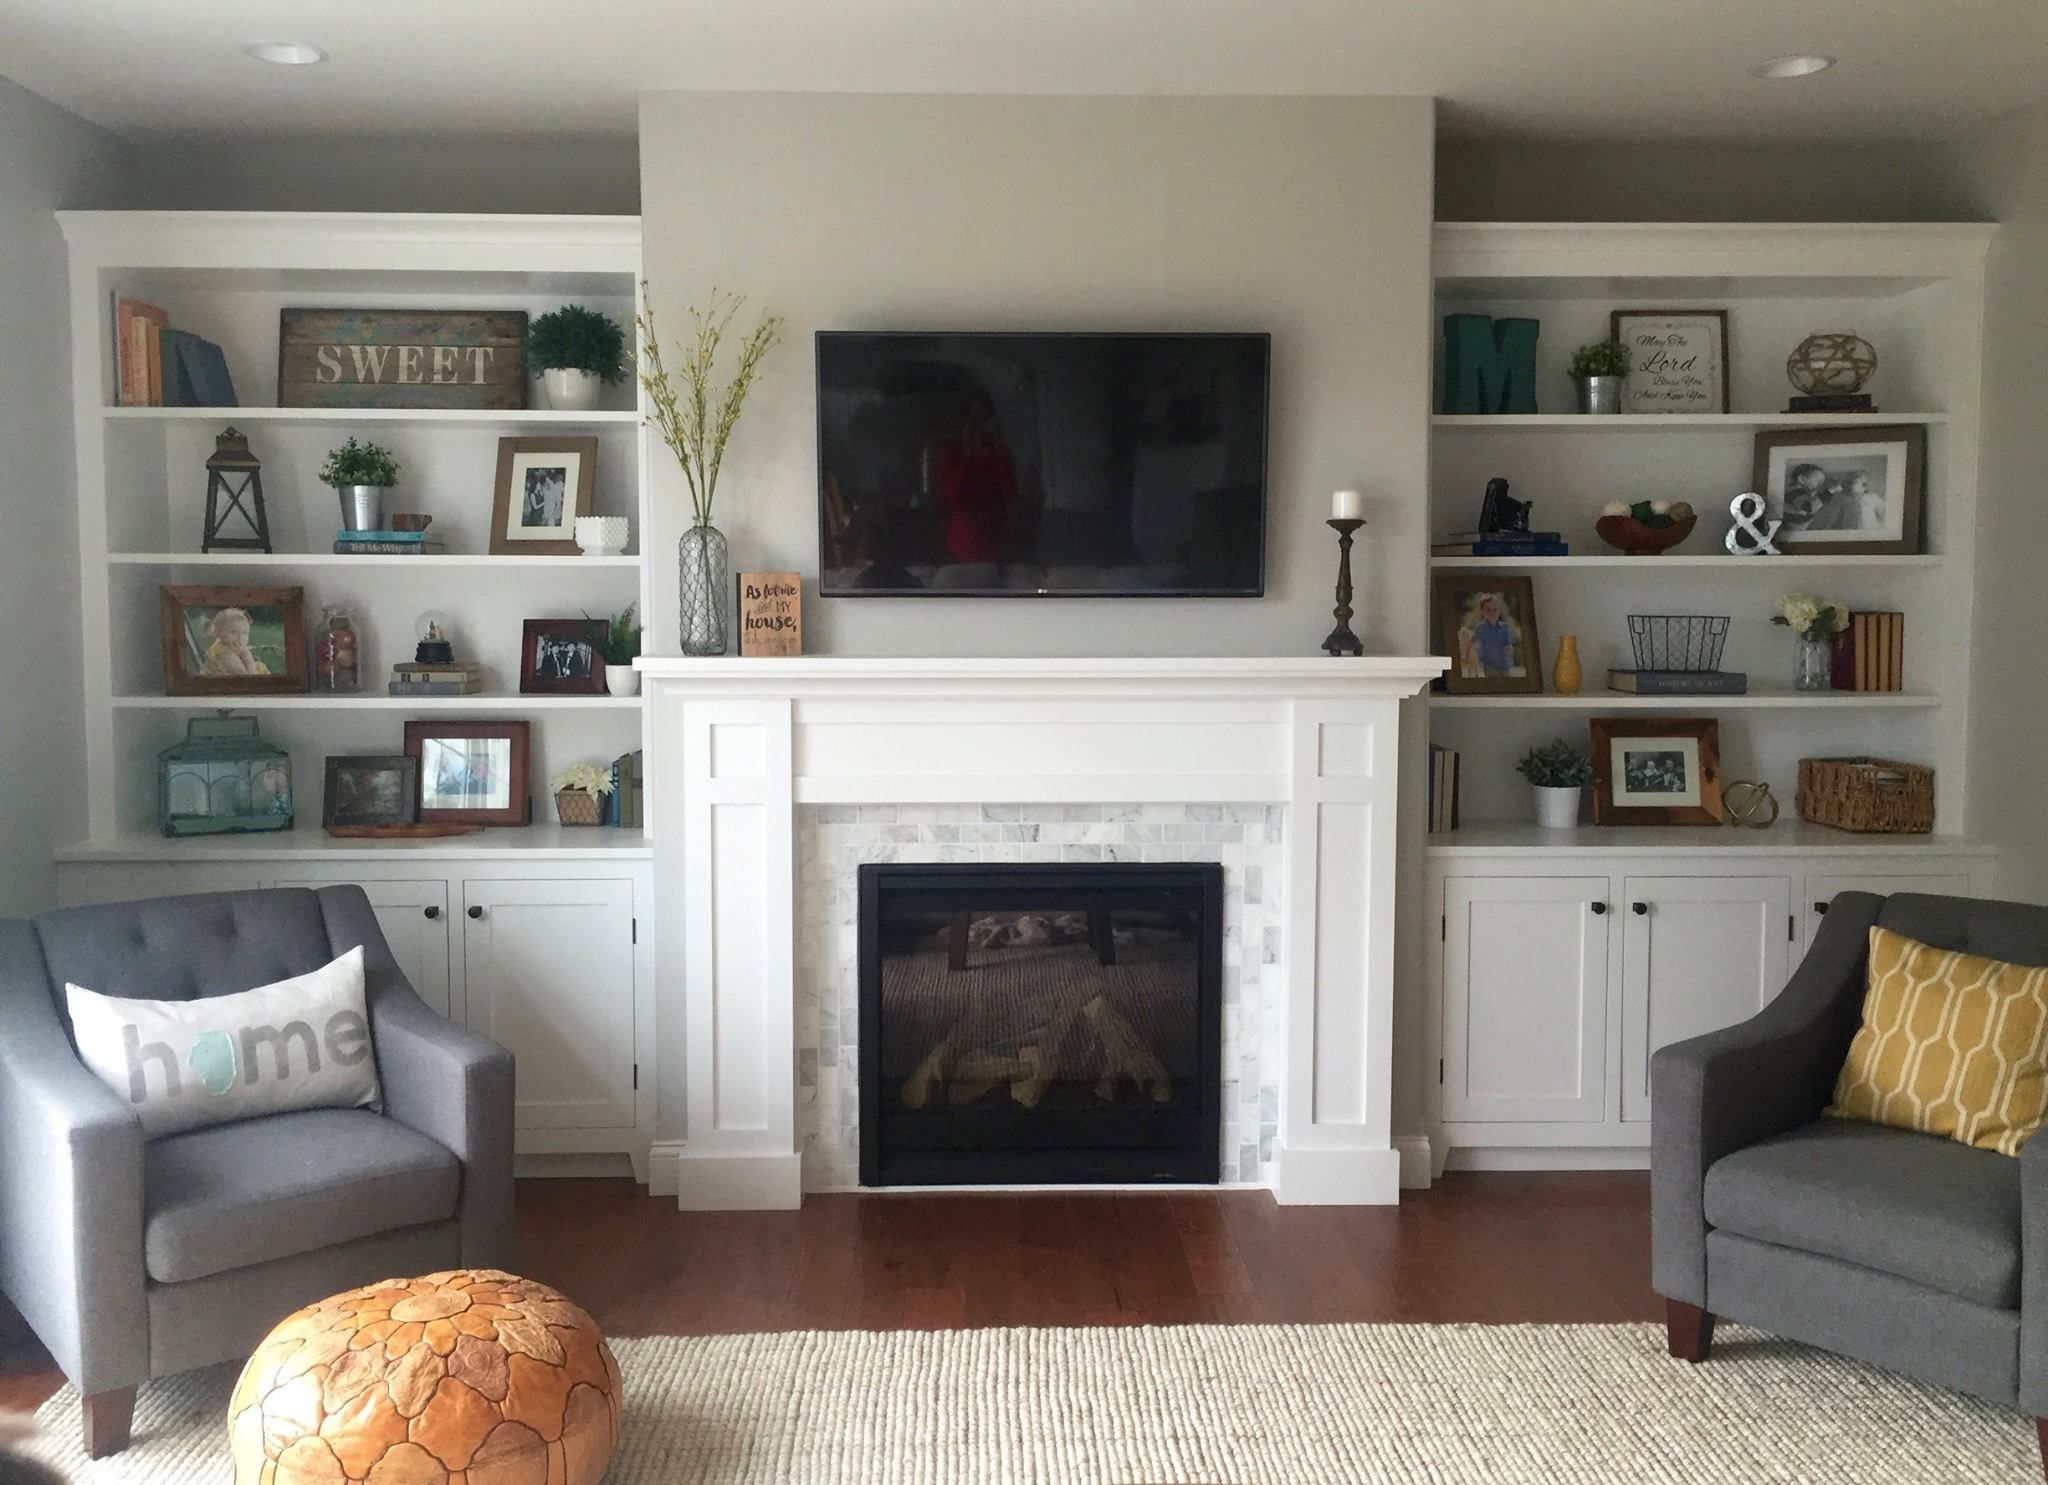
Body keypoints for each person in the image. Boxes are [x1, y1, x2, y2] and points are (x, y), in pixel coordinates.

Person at [933, 391, 1018, 565]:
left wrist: (1000, 445)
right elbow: (952, 498)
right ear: (964, 424)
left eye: (985, 420)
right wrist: (968, 455)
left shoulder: (999, 453)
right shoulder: (953, 453)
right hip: (961, 546)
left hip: (995, 544)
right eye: (974, 420)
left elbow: (1010, 494)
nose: (980, 427)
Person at [1458, 593, 1519, 677]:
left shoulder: (1504, 627)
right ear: (1482, 612)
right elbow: (1471, 642)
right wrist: (1466, 655)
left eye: (1495, 610)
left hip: (1504, 664)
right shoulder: (1480, 628)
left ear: (1499, 611)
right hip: (1489, 664)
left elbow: (1508, 643)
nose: (1492, 613)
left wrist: (1509, 648)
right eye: (1488, 610)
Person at [201, 606, 269, 676]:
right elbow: (245, 675)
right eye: (233, 632)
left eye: (244, 633)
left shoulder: (233, 646)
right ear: (218, 633)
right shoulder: (222, 653)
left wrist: (245, 653)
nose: (240, 638)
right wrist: (245, 654)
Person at [1780, 462, 1832, 529]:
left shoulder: (1802, 494)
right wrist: (1828, 493)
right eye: (1818, 481)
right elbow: (1809, 507)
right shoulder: (1795, 493)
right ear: (1802, 479)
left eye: (1822, 483)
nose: (1820, 485)